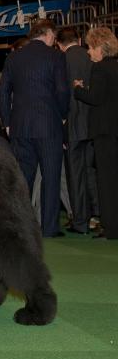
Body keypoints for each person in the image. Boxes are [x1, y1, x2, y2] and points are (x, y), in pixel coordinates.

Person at [0, 19, 70, 237]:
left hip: (20, 126)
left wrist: (8, 122)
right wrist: (63, 115)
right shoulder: (56, 56)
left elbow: (2, 91)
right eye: (53, 37)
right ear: (48, 33)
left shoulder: (14, 56)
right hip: (49, 125)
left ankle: (21, 227)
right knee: (51, 176)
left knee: (22, 178)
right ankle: (49, 228)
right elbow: (62, 91)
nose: (54, 41)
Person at [73, 28, 118, 239]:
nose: (89, 52)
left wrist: (78, 89)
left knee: (106, 181)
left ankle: (111, 227)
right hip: (114, 129)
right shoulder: (115, 67)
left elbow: (96, 98)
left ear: (100, 47)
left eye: (90, 48)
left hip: (104, 132)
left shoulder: (99, 69)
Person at [56, 27, 98, 234]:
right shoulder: (91, 56)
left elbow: (61, 96)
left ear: (59, 44)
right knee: (92, 173)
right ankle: (98, 214)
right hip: (92, 125)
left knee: (75, 176)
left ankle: (81, 221)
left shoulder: (60, 60)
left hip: (71, 126)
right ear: (79, 39)